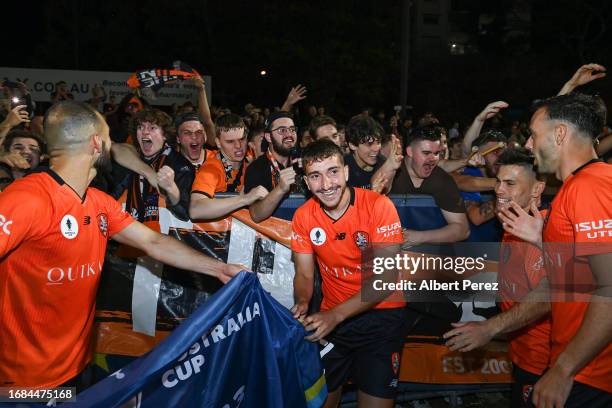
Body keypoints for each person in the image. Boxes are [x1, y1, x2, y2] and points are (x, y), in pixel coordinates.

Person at [0, 101, 244, 389]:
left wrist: (219, 267)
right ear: (95, 143)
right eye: (107, 138)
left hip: (77, 368)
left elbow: (153, 241)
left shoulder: (97, 202)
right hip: (21, 383)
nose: (113, 145)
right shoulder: (27, 199)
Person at [451, 93, 612, 407]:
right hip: (579, 367)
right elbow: (572, 280)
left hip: (588, 373)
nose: (527, 145)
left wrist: (564, 370)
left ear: (560, 134)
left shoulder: (589, 187)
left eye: (534, 135)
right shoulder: (579, 187)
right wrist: (546, 241)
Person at [291, 139, 405, 408]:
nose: (326, 184)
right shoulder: (303, 216)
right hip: (333, 320)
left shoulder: (379, 206)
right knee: (318, 402)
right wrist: (303, 301)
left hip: (382, 315)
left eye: (332, 172)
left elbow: (386, 279)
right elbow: (305, 275)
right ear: (307, 183)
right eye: (315, 176)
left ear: (346, 172)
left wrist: (335, 315)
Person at [443, 148, 549, 407]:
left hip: (545, 364)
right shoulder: (512, 226)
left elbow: (548, 299)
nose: (500, 190)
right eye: (498, 182)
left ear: (537, 190)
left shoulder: (543, 231)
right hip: (522, 354)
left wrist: (489, 328)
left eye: (510, 183)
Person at [390, 125, 470, 245]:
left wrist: (419, 237)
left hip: (430, 256)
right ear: (409, 151)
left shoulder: (443, 180)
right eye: (426, 153)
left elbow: (463, 230)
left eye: (436, 153)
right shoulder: (390, 173)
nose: (432, 159)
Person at [111, 109, 194, 224]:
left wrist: (171, 188)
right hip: (128, 234)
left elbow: (184, 214)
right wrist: (149, 173)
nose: (145, 132)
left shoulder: (180, 165)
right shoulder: (131, 159)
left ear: (165, 135)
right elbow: (113, 147)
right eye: (140, 127)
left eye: (152, 128)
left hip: (163, 237)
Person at [189, 113, 267, 220]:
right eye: (230, 142)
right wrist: (243, 199)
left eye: (242, 139)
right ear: (218, 143)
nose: (238, 146)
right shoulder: (211, 169)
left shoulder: (250, 164)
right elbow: (195, 210)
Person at [244, 111, 301, 222]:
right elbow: (256, 214)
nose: (289, 134)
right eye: (282, 130)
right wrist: (280, 189)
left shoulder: (303, 164)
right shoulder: (256, 168)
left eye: (292, 129)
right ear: (269, 137)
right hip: (271, 235)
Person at [343, 115, 402, 192]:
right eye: (369, 144)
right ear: (353, 145)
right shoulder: (341, 167)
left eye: (378, 142)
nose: (376, 148)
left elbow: (384, 193)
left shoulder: (383, 162)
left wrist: (391, 167)